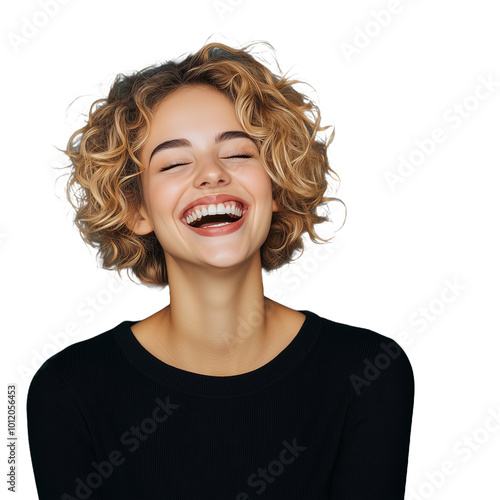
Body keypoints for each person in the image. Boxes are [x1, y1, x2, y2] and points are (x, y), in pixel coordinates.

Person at [27, 41, 415, 499]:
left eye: (237, 154)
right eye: (173, 162)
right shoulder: (68, 389)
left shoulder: (368, 372)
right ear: (136, 209)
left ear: (276, 187)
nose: (211, 174)